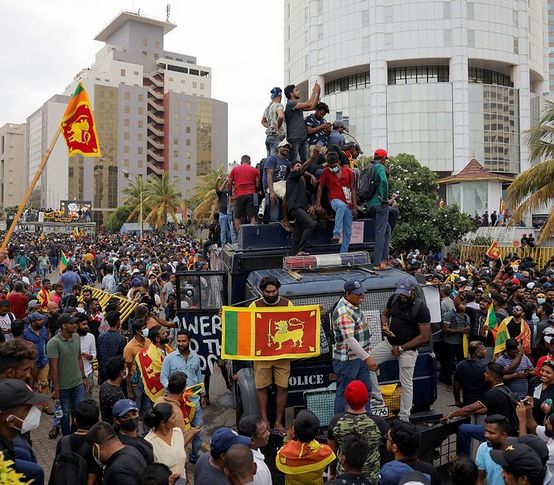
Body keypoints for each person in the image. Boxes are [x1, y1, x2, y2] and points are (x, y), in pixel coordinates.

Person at [371, 278, 431, 421]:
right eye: (401, 293)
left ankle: (404, 416)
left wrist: (402, 348)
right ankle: (378, 398)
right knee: (368, 362)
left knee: (406, 383)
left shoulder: (421, 308)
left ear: (413, 292)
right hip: (390, 342)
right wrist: (385, 326)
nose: (402, 296)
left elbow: (424, 337)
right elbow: (385, 314)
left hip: (408, 349)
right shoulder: (394, 298)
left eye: (405, 294)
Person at [249, 276, 293, 433]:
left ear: (278, 289)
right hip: (262, 356)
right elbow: (246, 328)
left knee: (283, 387)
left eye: (273, 291)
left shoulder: (287, 304)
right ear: (262, 291)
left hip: (282, 355)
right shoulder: (254, 305)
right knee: (261, 388)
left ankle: (278, 422)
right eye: (267, 292)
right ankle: (265, 420)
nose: (270, 294)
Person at [446, 362, 519, 456]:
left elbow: (469, 408)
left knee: (463, 429)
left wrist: (453, 414)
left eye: (486, 373)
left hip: (498, 432)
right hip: (507, 430)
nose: (484, 374)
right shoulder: (505, 389)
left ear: (492, 376)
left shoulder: (493, 393)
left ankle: (463, 459)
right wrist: (471, 412)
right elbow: (487, 409)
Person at [331, 280, 377, 415]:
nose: (361, 296)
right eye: (358, 294)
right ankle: (339, 423)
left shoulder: (353, 305)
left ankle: (366, 420)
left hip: (359, 357)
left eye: (362, 292)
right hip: (347, 360)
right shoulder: (344, 312)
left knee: (365, 389)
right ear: (348, 294)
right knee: (345, 392)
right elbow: (350, 340)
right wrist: (368, 357)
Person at [160, 329, 206, 463]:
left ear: (189, 341)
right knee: (177, 434)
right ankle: (179, 459)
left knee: (198, 431)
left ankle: (193, 456)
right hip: (176, 404)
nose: (180, 343)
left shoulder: (196, 358)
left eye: (183, 341)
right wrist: (173, 389)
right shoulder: (169, 358)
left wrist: (202, 395)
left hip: (193, 402)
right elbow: (163, 378)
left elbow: (198, 379)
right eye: (178, 341)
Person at [327, 380, 384, 482]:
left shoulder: (336, 422)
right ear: (366, 398)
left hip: (343, 478)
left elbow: (332, 453)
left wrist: (331, 473)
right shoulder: (378, 423)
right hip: (371, 480)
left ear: (346, 398)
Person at [47, 312, 89, 436]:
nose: (75, 325)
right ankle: (67, 438)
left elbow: (79, 358)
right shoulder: (53, 343)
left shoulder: (76, 337)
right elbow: (53, 368)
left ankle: (76, 435)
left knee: (79, 411)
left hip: (77, 383)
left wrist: (83, 377)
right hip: (63, 386)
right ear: (63, 326)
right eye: (71, 323)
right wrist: (56, 388)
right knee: (64, 414)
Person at [0, 379, 47, 484]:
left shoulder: (7, 440)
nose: (36, 411)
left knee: (24, 454)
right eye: (29, 408)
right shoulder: (2, 458)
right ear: (11, 421)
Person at [275, 410, 335, 485]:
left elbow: (278, 467)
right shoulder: (326, 451)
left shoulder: (285, 454)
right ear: (317, 432)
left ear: (294, 432)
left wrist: (288, 437)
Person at [50, 399, 101, 485]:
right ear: (98, 421)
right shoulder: (95, 445)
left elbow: (56, 468)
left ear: (75, 421)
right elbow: (91, 479)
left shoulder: (62, 441)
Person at [316, 151, 357, 253]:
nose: (332, 168)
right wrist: (318, 204)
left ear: (338, 162)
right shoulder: (326, 172)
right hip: (334, 200)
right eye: (330, 166)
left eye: (334, 166)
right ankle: (337, 233)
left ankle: (344, 253)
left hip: (348, 202)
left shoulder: (347, 171)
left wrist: (355, 207)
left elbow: (353, 189)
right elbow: (320, 187)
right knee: (341, 206)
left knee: (348, 231)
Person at [365, 149, 398, 271]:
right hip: (380, 204)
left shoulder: (369, 166)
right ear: (383, 159)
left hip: (370, 204)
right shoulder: (380, 167)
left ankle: (384, 260)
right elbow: (384, 181)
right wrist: (385, 199)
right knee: (381, 232)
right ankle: (378, 263)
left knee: (387, 230)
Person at [285, 146, 319, 256]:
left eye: (300, 165)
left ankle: (292, 256)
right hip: (295, 207)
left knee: (297, 235)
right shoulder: (292, 176)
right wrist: (313, 157)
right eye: (297, 166)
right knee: (311, 224)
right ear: (291, 169)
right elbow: (304, 168)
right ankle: (301, 250)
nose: (299, 167)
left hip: (302, 208)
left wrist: (311, 205)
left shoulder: (302, 180)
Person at [385, 421, 438, 485]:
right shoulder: (430, 471)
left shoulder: (388, 474)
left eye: (387, 438)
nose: (386, 440)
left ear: (394, 447)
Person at [144, 403, 187, 480]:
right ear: (162, 423)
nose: (176, 419)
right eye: (173, 418)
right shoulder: (148, 443)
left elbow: (183, 464)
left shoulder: (178, 432)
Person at [284, 82, 320, 163]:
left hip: (302, 137)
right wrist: (314, 91)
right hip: (294, 137)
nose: (298, 92)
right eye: (296, 90)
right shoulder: (291, 103)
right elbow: (309, 103)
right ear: (291, 93)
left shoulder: (297, 106)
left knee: (305, 161)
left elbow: (313, 107)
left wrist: (318, 93)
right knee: (294, 161)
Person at [123, 319, 152, 420]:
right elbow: (127, 370)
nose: (146, 330)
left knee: (148, 409)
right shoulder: (129, 347)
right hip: (136, 385)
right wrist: (130, 390)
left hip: (148, 382)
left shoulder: (148, 341)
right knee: (135, 410)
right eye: (143, 328)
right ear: (137, 331)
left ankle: (146, 433)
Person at [112, 399, 155, 465]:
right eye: (126, 417)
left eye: (134, 414)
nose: (131, 418)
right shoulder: (124, 444)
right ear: (117, 420)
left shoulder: (139, 439)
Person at [23, 311, 50, 408]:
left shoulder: (43, 329)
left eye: (41, 319)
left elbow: (46, 341)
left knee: (44, 383)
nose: (42, 321)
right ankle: (29, 406)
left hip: (43, 362)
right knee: (30, 384)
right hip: (32, 365)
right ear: (33, 322)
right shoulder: (25, 333)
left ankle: (46, 406)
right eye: (39, 320)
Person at [475, 415, 512, 485]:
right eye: (485, 431)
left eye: (491, 433)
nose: (486, 435)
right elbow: (480, 479)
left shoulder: (514, 452)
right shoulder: (483, 448)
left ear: (503, 435)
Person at [227, 155, 260, 233]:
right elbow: (257, 185)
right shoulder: (255, 170)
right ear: (250, 162)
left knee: (237, 216)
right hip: (251, 194)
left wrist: (230, 195)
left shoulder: (234, 170)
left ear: (241, 162)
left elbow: (229, 183)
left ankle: (240, 235)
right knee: (252, 216)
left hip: (238, 195)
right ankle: (251, 234)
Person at [237, 414, 272, 485]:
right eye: (264, 433)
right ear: (252, 440)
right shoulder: (259, 471)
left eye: (267, 429)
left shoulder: (251, 448)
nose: (268, 433)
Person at [441, 301, 470, 386]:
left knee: (461, 362)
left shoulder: (465, 315)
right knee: (449, 362)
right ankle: (448, 380)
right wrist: (460, 330)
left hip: (462, 343)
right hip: (450, 343)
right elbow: (445, 329)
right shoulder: (449, 314)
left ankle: (459, 380)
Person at [263, 139, 292, 224]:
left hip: (282, 183)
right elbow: (269, 175)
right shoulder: (272, 159)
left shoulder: (287, 162)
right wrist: (271, 192)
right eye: (284, 147)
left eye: (288, 148)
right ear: (279, 148)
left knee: (296, 190)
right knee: (286, 194)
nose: (286, 149)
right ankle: (285, 219)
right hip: (272, 184)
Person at [453, 340, 488, 407]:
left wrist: (457, 400)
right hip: (481, 404)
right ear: (477, 353)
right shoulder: (484, 367)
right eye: (483, 350)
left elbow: (456, 384)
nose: (485, 351)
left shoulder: (460, 365)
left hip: (467, 403)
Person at [97, 311, 126, 384]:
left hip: (104, 372)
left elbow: (99, 356)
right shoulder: (121, 339)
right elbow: (123, 358)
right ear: (117, 322)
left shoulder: (101, 337)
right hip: (116, 374)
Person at [99, 356, 127, 424]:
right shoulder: (116, 395)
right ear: (121, 372)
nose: (126, 370)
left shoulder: (105, 384)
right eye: (125, 368)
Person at [261, 86, 286, 157]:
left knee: (269, 160)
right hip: (276, 136)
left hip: (269, 137)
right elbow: (281, 116)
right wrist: (276, 127)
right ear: (280, 95)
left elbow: (263, 121)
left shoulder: (268, 108)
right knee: (276, 160)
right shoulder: (278, 105)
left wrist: (270, 127)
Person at [77, 313, 97, 400]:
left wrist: (89, 356)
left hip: (88, 372)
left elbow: (94, 353)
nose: (86, 326)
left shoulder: (91, 337)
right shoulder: (72, 338)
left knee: (87, 400)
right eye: (83, 324)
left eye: (87, 324)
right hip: (74, 375)